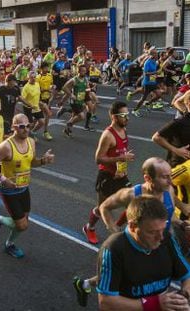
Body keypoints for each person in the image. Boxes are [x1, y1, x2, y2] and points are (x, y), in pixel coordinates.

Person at [73, 157, 190, 307]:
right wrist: (114, 231)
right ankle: (85, 285)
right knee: (126, 278)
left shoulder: (169, 190)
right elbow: (104, 207)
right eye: (164, 177)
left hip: (160, 242)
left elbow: (170, 215)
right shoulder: (131, 194)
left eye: (170, 175)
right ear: (148, 178)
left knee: (140, 279)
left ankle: (85, 284)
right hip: (137, 243)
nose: (170, 180)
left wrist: (182, 224)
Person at [97, 195, 190, 310]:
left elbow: (187, 276)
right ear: (132, 226)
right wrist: (154, 304)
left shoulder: (166, 238)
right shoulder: (114, 248)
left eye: (162, 229)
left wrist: (183, 296)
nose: (160, 238)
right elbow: (106, 302)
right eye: (152, 232)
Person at [0, 113, 54, 258]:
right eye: (22, 126)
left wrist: (43, 161)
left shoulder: (31, 142)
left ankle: (9, 243)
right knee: (22, 225)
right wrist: (3, 179)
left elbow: (32, 162)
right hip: (9, 190)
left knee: (23, 222)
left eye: (28, 126)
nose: (26, 129)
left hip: (24, 187)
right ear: (13, 127)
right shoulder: (6, 146)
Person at [83, 102, 134, 245]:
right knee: (102, 208)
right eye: (123, 115)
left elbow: (120, 152)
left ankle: (115, 227)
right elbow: (98, 158)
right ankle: (89, 227)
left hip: (121, 175)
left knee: (134, 203)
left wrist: (123, 162)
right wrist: (121, 158)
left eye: (127, 115)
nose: (127, 118)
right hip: (107, 176)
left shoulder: (124, 130)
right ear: (114, 117)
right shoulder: (108, 135)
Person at [62, 64, 95, 136]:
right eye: (82, 71)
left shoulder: (85, 79)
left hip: (81, 99)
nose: (84, 72)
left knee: (74, 116)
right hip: (74, 101)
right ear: (78, 71)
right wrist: (71, 95)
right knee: (81, 116)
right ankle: (69, 124)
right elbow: (64, 87)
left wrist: (90, 90)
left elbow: (86, 88)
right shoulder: (74, 80)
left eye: (85, 71)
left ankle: (67, 129)